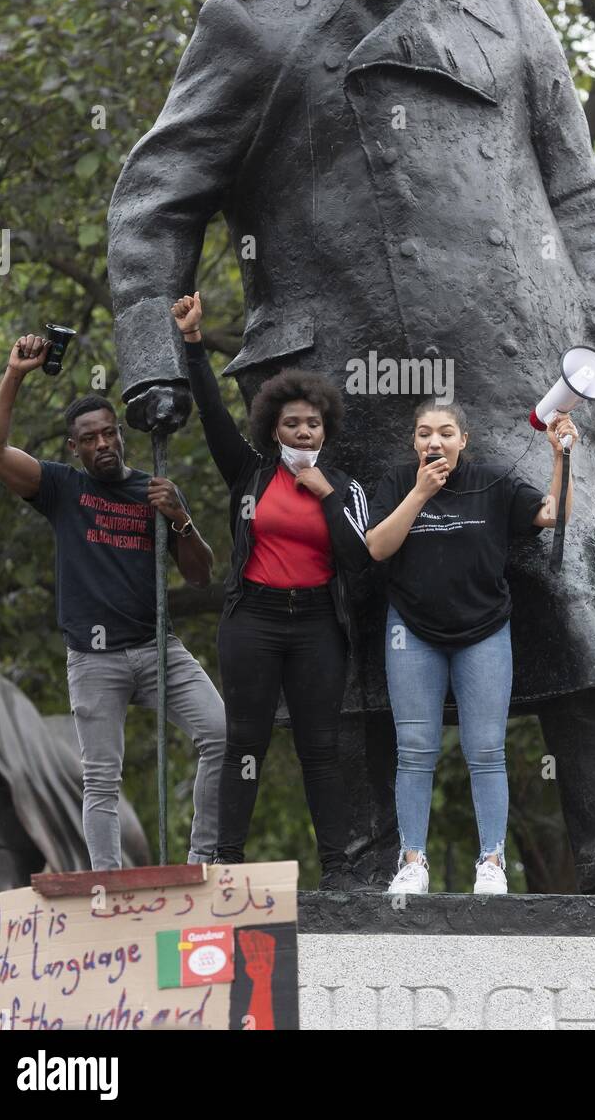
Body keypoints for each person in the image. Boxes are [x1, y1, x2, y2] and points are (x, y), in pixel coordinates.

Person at [106, 0, 595, 895]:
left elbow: (580, 187)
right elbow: (154, 200)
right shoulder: (254, 21)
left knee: (570, 567)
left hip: (519, 360)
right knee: (357, 604)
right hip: (338, 370)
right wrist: (149, 351)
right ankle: (368, 861)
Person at [0, 334, 225, 870]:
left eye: (110, 433)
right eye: (90, 438)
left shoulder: (155, 492)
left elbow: (202, 577)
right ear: (75, 447)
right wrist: (15, 373)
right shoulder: (62, 489)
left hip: (157, 650)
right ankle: (107, 881)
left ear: (122, 436)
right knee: (101, 778)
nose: (104, 444)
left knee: (220, 732)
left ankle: (203, 857)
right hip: (94, 659)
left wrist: (179, 516)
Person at [171, 292, 370, 889]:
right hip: (253, 619)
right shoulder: (251, 473)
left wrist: (323, 492)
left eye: (312, 423)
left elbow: (358, 560)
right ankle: (227, 859)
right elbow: (211, 415)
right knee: (245, 742)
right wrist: (193, 345)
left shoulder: (344, 485)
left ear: (325, 428)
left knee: (320, 748)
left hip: (316, 625)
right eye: (291, 423)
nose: (303, 430)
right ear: (273, 428)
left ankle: (338, 869)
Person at [365, 397, 579, 895]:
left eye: (444, 432)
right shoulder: (399, 482)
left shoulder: (494, 481)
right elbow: (376, 547)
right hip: (412, 631)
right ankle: (412, 861)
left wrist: (561, 456)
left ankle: (492, 861)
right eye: (423, 433)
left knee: (485, 749)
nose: (433, 441)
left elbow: (555, 514)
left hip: (484, 630)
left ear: (465, 439)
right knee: (415, 749)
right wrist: (420, 493)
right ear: (413, 442)